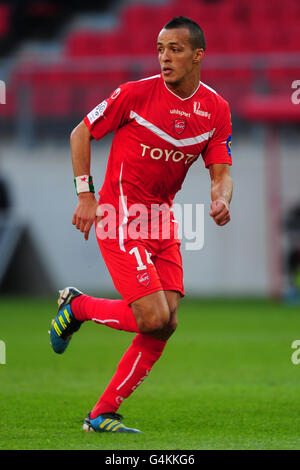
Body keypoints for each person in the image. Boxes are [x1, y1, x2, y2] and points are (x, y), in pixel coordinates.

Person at [50, 16, 233, 434]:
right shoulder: (134, 94)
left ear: (198, 55)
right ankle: (76, 307)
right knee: (152, 318)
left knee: (166, 324)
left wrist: (221, 198)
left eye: (175, 49)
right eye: (160, 49)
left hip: (162, 221)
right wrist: (85, 194)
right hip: (119, 216)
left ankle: (101, 414)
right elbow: (81, 133)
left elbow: (221, 171)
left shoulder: (216, 109)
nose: (165, 57)